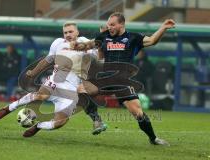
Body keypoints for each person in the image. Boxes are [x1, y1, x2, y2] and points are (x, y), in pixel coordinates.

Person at [72, 12, 175, 145]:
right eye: (109, 24)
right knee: (81, 90)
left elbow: (152, 40)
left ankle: (153, 138)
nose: (110, 27)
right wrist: (78, 45)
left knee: (138, 113)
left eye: (113, 24)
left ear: (122, 24)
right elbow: (94, 51)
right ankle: (97, 121)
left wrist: (163, 27)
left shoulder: (133, 38)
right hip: (106, 78)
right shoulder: (104, 36)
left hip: (122, 80)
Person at [0, 22, 105, 137]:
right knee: (41, 95)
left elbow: (100, 58)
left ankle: (38, 126)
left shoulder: (85, 43)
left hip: (72, 88)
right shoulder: (58, 43)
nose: (68, 34)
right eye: (65, 32)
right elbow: (47, 60)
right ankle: (9, 108)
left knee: (59, 123)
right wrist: (33, 72)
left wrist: (102, 42)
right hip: (56, 80)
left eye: (70, 32)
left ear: (77, 32)